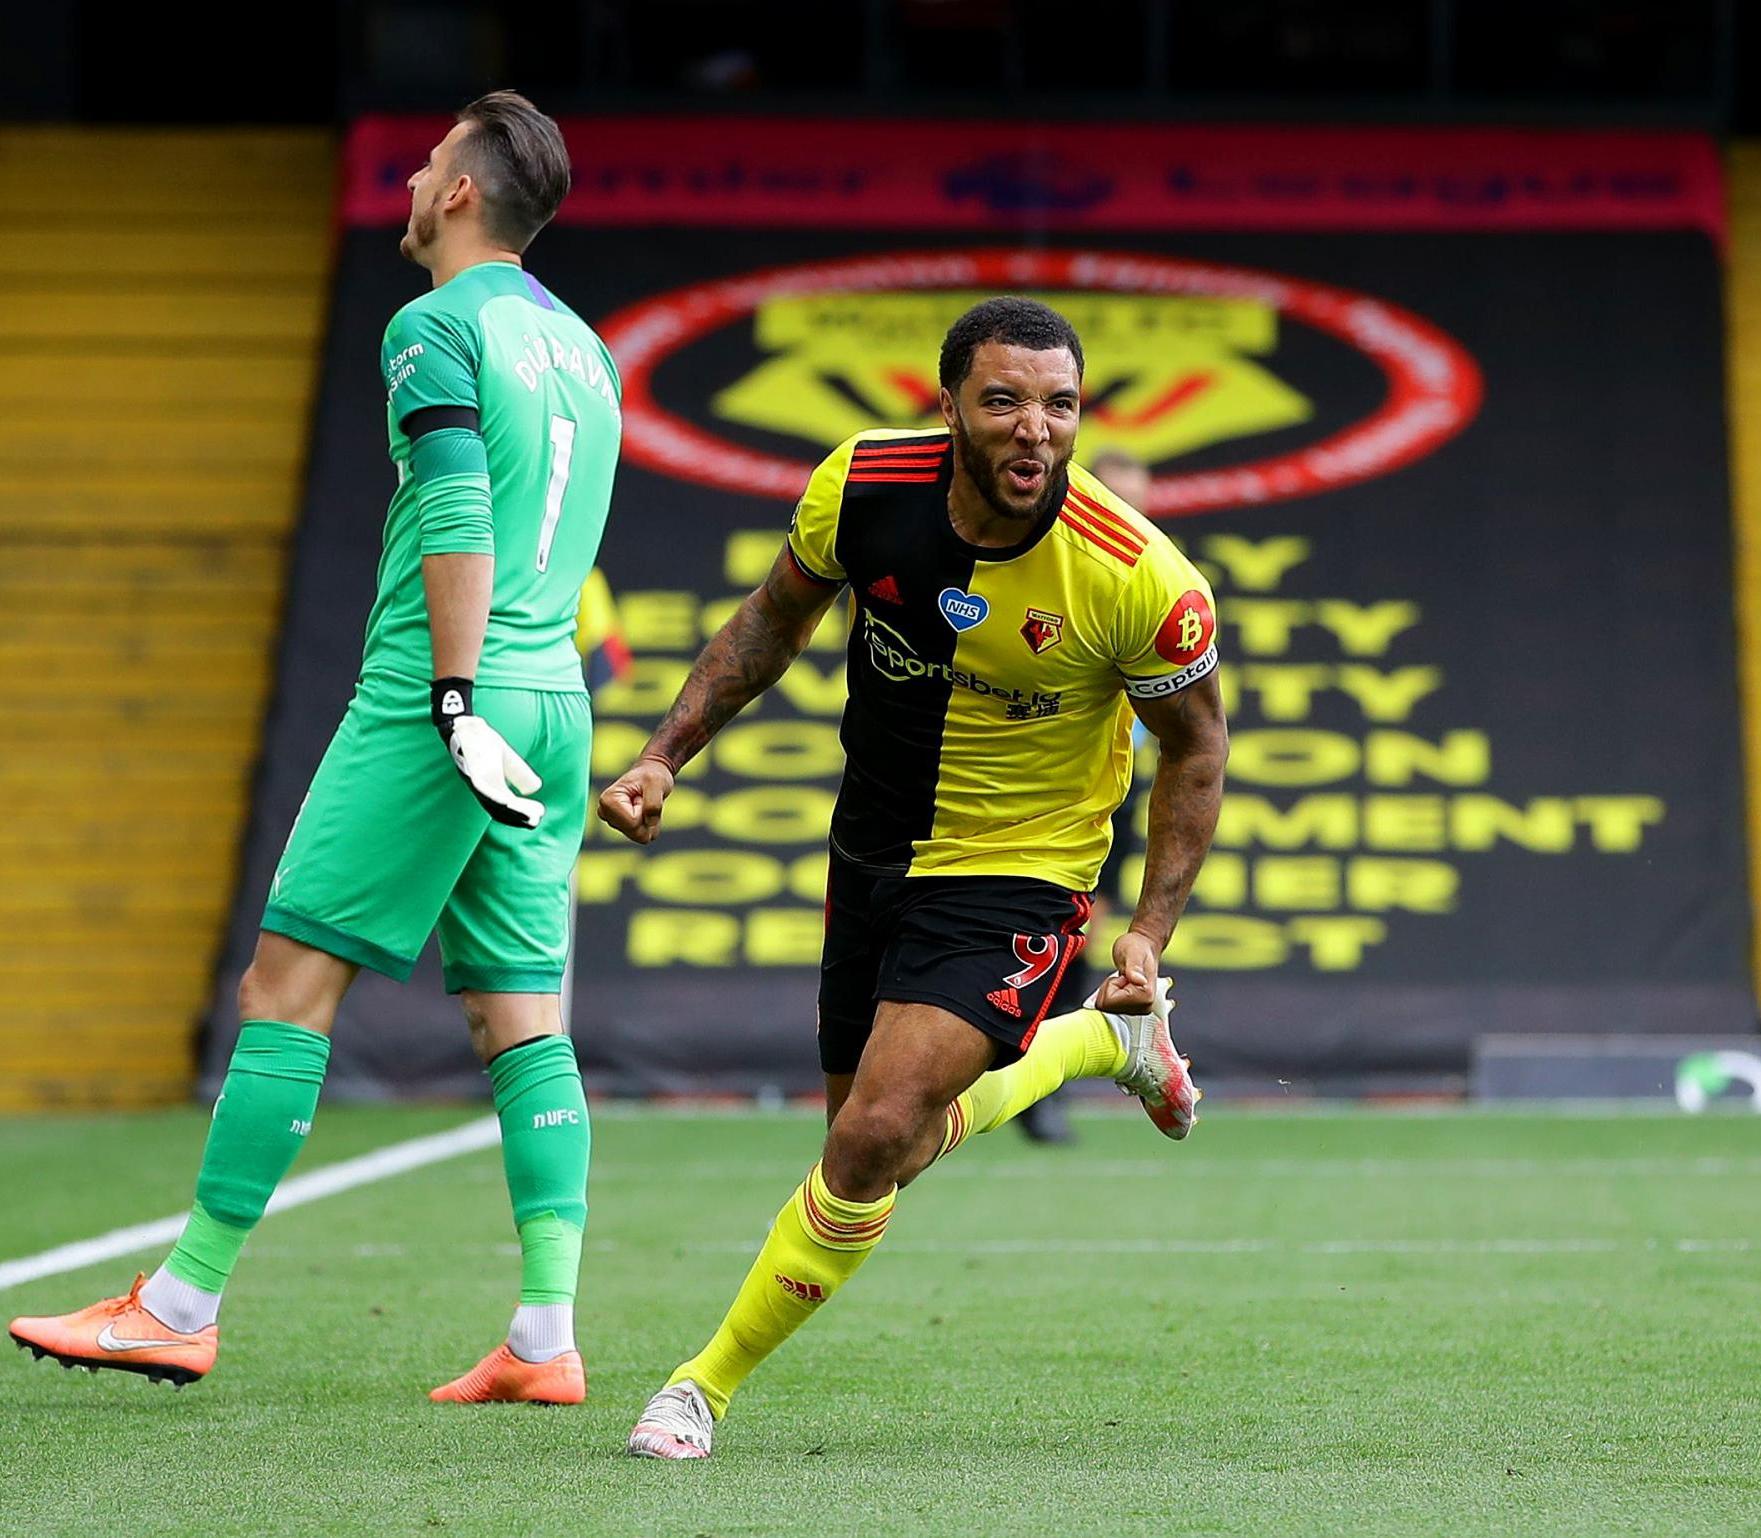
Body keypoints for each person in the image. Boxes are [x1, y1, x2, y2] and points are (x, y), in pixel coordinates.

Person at [9, 93, 620, 1405]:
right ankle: (542, 1331)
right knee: (520, 1017)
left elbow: (458, 510)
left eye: (427, 162)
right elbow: (559, 546)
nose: (409, 176)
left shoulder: (432, 326)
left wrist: (451, 700)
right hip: (555, 698)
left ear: (459, 194)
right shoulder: (586, 350)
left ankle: (177, 1302)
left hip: (441, 694)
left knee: (285, 988)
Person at [600, 296, 1229, 1460]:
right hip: (874, 845)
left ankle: (700, 1385)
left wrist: (1146, 931)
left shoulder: (1137, 573)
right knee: (876, 1132)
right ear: (948, 409)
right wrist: (659, 756)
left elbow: (1195, 748)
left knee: (870, 1134)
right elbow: (769, 623)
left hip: (1023, 869)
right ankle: (1100, 1046)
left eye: (1058, 405)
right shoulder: (862, 484)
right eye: (1002, 400)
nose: (1033, 429)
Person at [1013, 445, 1156, 1146]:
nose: (1127, 511)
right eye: (1115, 495)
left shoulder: (1151, 579)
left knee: (1073, 940)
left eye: (1139, 500)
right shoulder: (1057, 569)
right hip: (1035, 784)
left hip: (1114, 789)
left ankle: (1042, 1084)